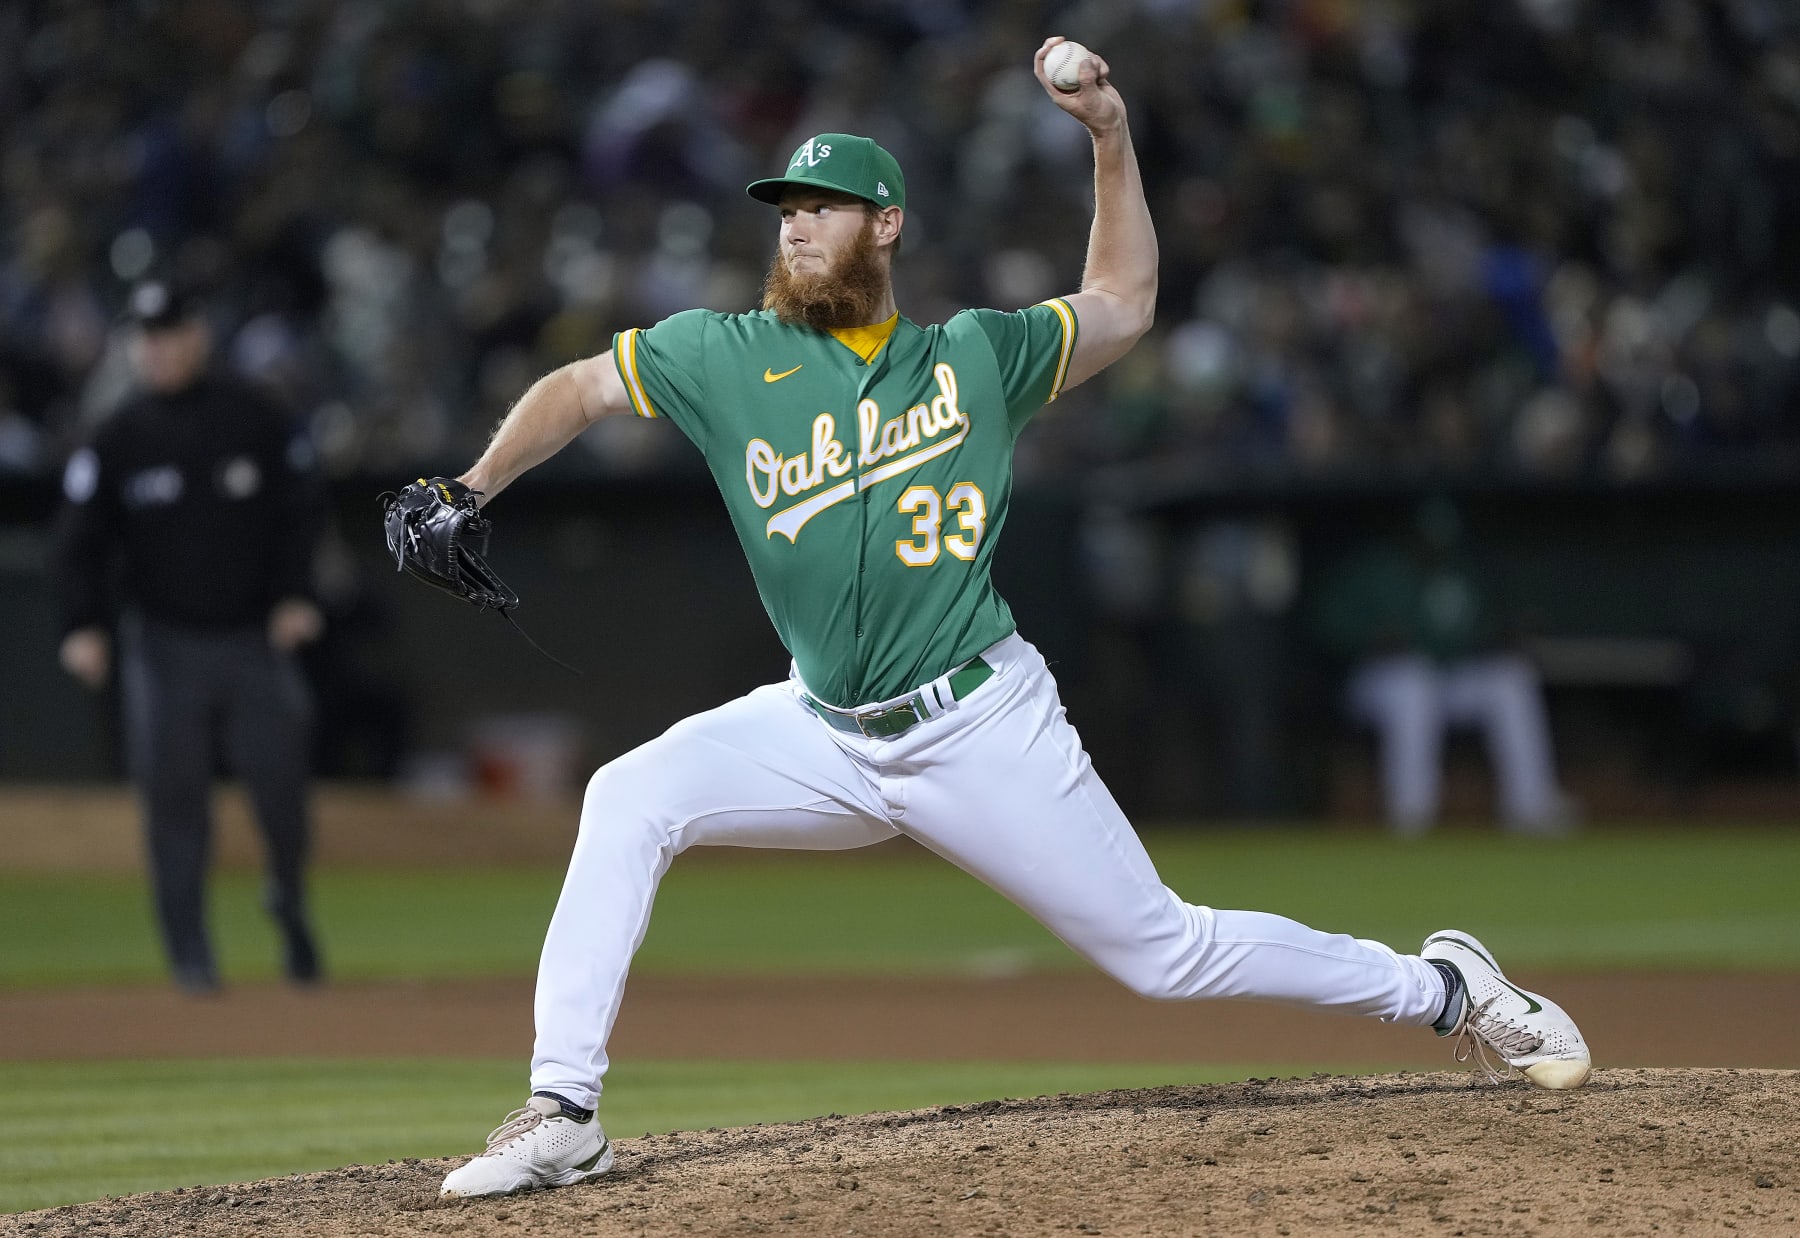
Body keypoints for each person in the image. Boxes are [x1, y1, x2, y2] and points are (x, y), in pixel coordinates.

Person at [430, 40, 1592, 1199]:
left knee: (1165, 951)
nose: (794, 227)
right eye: (786, 207)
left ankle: (1446, 987)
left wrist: (1108, 135)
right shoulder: (724, 355)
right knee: (629, 794)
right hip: (823, 728)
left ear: (885, 226)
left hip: (978, 724)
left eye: (823, 208)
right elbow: (579, 385)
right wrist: (471, 487)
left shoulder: (975, 357)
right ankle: (563, 1108)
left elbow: (1126, 302)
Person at [54, 279, 326, 994]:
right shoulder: (118, 436)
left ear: (198, 335)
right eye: (148, 337)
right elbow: (78, 539)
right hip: (163, 645)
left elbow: (302, 512)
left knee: (281, 790)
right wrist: (82, 623)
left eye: (171, 333)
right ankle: (191, 958)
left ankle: (288, 899)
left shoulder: (255, 418)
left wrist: (296, 594)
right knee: (174, 804)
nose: (160, 348)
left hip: (252, 639)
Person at [1313, 497, 1572, 836]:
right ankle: (1411, 813)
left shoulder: (1462, 574)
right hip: (1378, 683)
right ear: (1412, 536)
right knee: (1411, 684)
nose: (1433, 548)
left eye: (1441, 541)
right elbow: (1328, 627)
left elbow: (1478, 633)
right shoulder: (1376, 570)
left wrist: (1500, 640)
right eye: (1426, 540)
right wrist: (1372, 640)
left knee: (1511, 680)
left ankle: (1531, 806)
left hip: (1446, 677)